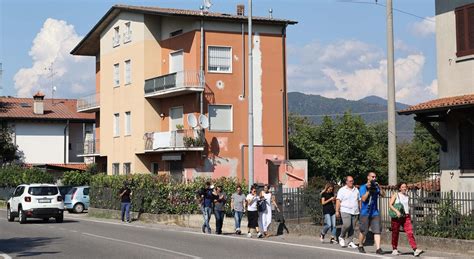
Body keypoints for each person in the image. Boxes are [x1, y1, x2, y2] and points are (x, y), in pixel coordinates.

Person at [389, 182, 423, 257]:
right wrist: (396, 211)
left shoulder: (407, 196)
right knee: (395, 233)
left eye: (405, 187)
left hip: (406, 216)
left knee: (410, 232)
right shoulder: (396, 195)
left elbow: (407, 207)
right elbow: (390, 204)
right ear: (399, 188)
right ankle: (394, 249)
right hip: (397, 216)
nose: (404, 188)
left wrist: (409, 215)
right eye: (403, 187)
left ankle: (415, 249)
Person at [358, 172, 385, 254]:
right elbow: (363, 199)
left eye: (375, 177)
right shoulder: (363, 187)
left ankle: (378, 248)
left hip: (375, 213)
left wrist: (379, 187)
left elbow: (383, 195)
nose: (374, 178)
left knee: (377, 231)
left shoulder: (376, 187)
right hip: (365, 212)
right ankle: (360, 245)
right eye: (372, 177)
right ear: (368, 177)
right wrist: (369, 191)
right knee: (364, 231)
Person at [336, 176, 359, 248]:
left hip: (355, 211)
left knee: (352, 227)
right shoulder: (342, 190)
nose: (351, 182)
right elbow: (338, 200)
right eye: (349, 181)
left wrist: (360, 209)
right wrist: (337, 211)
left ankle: (350, 241)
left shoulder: (356, 190)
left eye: (352, 181)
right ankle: (341, 236)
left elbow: (358, 200)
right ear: (346, 182)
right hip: (345, 210)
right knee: (347, 224)